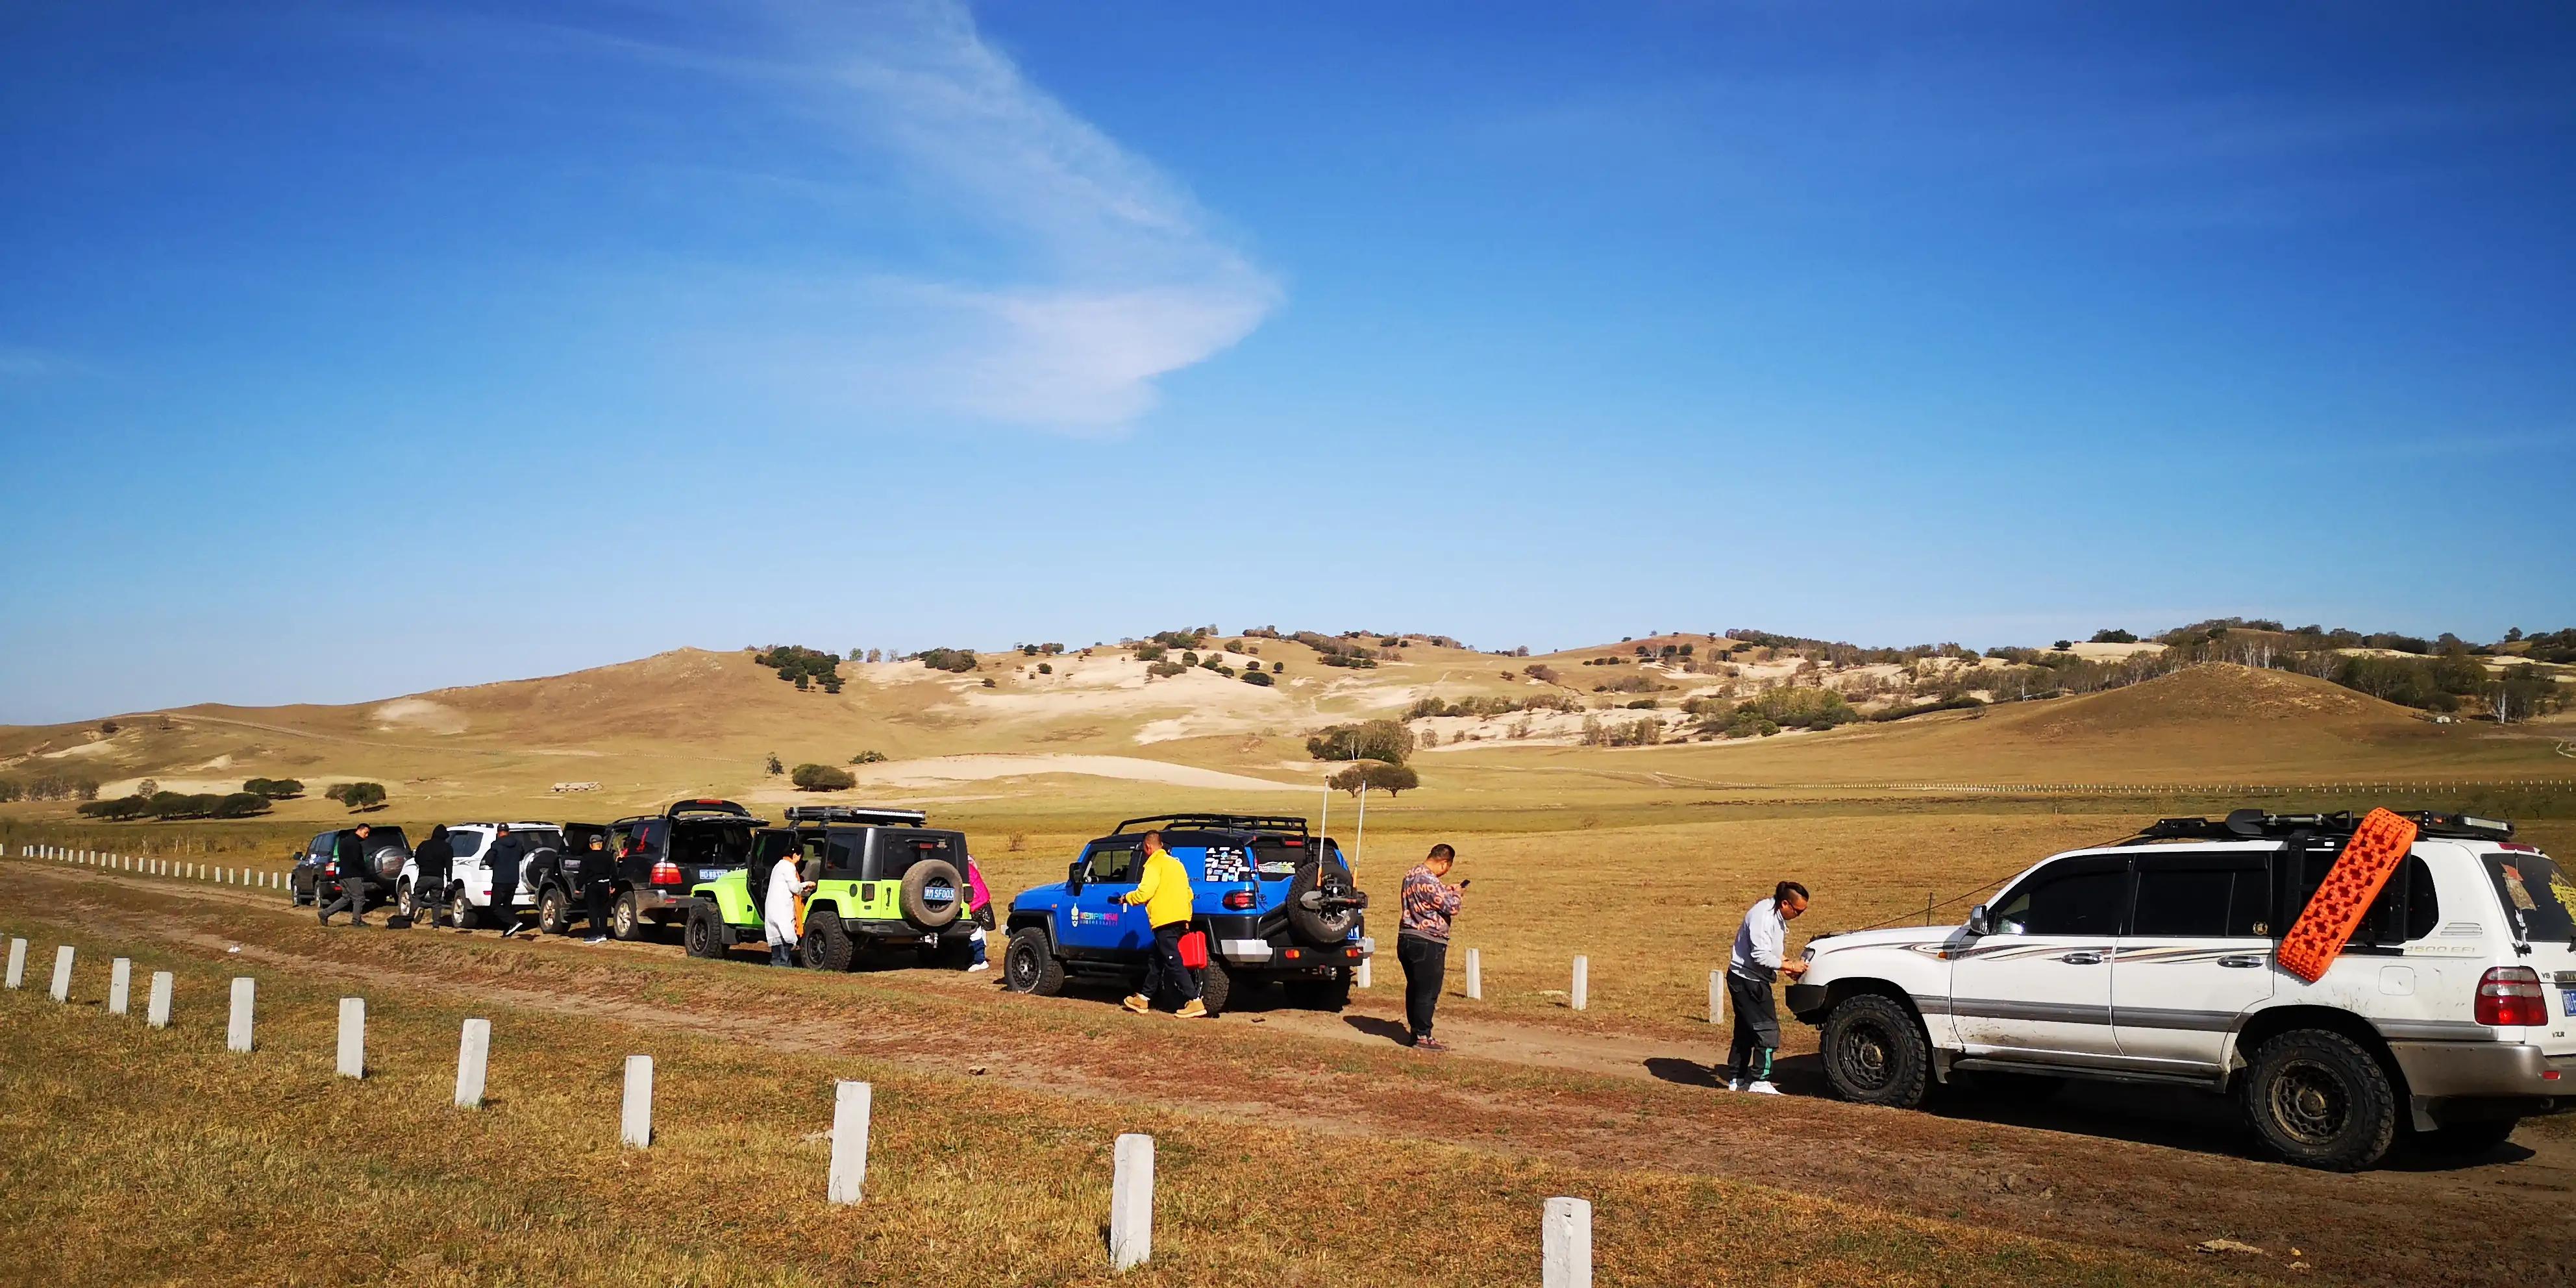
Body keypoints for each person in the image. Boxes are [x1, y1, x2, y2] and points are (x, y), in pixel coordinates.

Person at [1726, 880, 1811, 1095]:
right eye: (1798, 911)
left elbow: (1771, 950)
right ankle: (1760, 1081)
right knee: (1767, 1028)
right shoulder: (1763, 917)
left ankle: (1737, 1079)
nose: (1799, 916)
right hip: (1747, 980)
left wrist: (1786, 965)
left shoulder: (1775, 915)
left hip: (1750, 978)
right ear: (1785, 903)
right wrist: (1789, 966)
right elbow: (1760, 956)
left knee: (1746, 1029)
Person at [1121, 830, 1202, 1017]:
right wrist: (1187, 918)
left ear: (1148, 847)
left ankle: (1194, 1000)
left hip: (1165, 920)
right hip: (1181, 917)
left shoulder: (1153, 865)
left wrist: (1127, 898)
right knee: (1157, 960)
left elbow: (1145, 893)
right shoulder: (1177, 864)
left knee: (1173, 960)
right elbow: (1188, 892)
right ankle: (1143, 998)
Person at [1396, 843, 1466, 1051]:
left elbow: (1427, 899)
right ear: (1444, 863)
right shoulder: (1428, 879)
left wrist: (1446, 889)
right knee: (1428, 991)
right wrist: (1458, 894)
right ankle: (1423, 1036)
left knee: (1415, 988)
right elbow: (1451, 907)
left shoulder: (1411, 875)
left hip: (1407, 937)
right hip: (1427, 941)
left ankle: (1416, 1031)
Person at [763, 841, 814, 967]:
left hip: (772, 906)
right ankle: (784, 963)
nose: (799, 860)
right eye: (799, 856)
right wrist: (806, 884)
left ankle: (775, 962)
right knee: (786, 934)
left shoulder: (778, 865)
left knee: (776, 935)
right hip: (782, 907)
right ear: (795, 855)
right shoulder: (789, 867)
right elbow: (795, 888)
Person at [317, 824, 376, 926]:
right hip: (353, 875)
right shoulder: (354, 843)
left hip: (343, 875)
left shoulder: (344, 841)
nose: (367, 836)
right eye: (366, 833)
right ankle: (356, 921)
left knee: (346, 898)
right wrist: (365, 870)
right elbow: (356, 860)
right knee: (359, 898)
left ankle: (324, 913)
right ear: (359, 830)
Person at [486, 824, 527, 939]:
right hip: (513, 880)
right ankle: (508, 932)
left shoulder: (496, 844)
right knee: (507, 906)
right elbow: (521, 856)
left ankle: (514, 922)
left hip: (500, 880)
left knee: (495, 906)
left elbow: (489, 861)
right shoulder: (518, 844)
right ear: (508, 832)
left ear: (499, 833)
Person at [410, 824, 455, 926]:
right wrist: (449, 879)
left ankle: (411, 917)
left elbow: (417, 859)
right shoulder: (448, 848)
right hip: (438, 878)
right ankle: (436, 925)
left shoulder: (424, 845)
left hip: (423, 876)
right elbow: (449, 865)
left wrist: (423, 865)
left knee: (417, 897)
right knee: (436, 903)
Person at [578, 833, 617, 945]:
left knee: (593, 910)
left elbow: (582, 874)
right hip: (605, 885)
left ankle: (594, 934)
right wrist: (613, 886)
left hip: (592, 886)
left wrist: (578, 887)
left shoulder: (586, 857)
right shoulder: (608, 856)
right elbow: (614, 872)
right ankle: (603, 934)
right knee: (604, 909)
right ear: (601, 844)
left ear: (591, 845)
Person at [963, 854, 995, 972]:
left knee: (975, 931)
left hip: (976, 902)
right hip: (980, 900)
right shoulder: (969, 867)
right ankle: (978, 959)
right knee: (979, 930)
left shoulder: (965, 870)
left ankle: (980, 961)